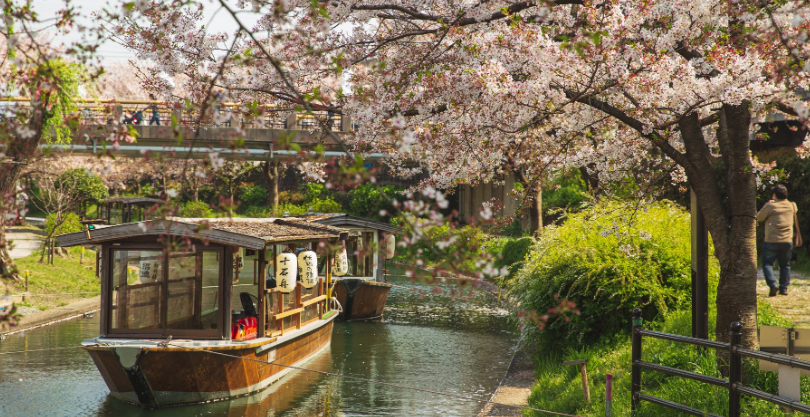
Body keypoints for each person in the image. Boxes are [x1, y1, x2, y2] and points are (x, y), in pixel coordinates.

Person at [757, 184, 802, 296]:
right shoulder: (792, 205)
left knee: (767, 264)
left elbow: (759, 217)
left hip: (772, 240)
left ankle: (773, 285)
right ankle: (784, 288)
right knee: (785, 264)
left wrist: (771, 203)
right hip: (787, 240)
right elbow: (795, 210)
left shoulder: (770, 206)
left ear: (775, 195)